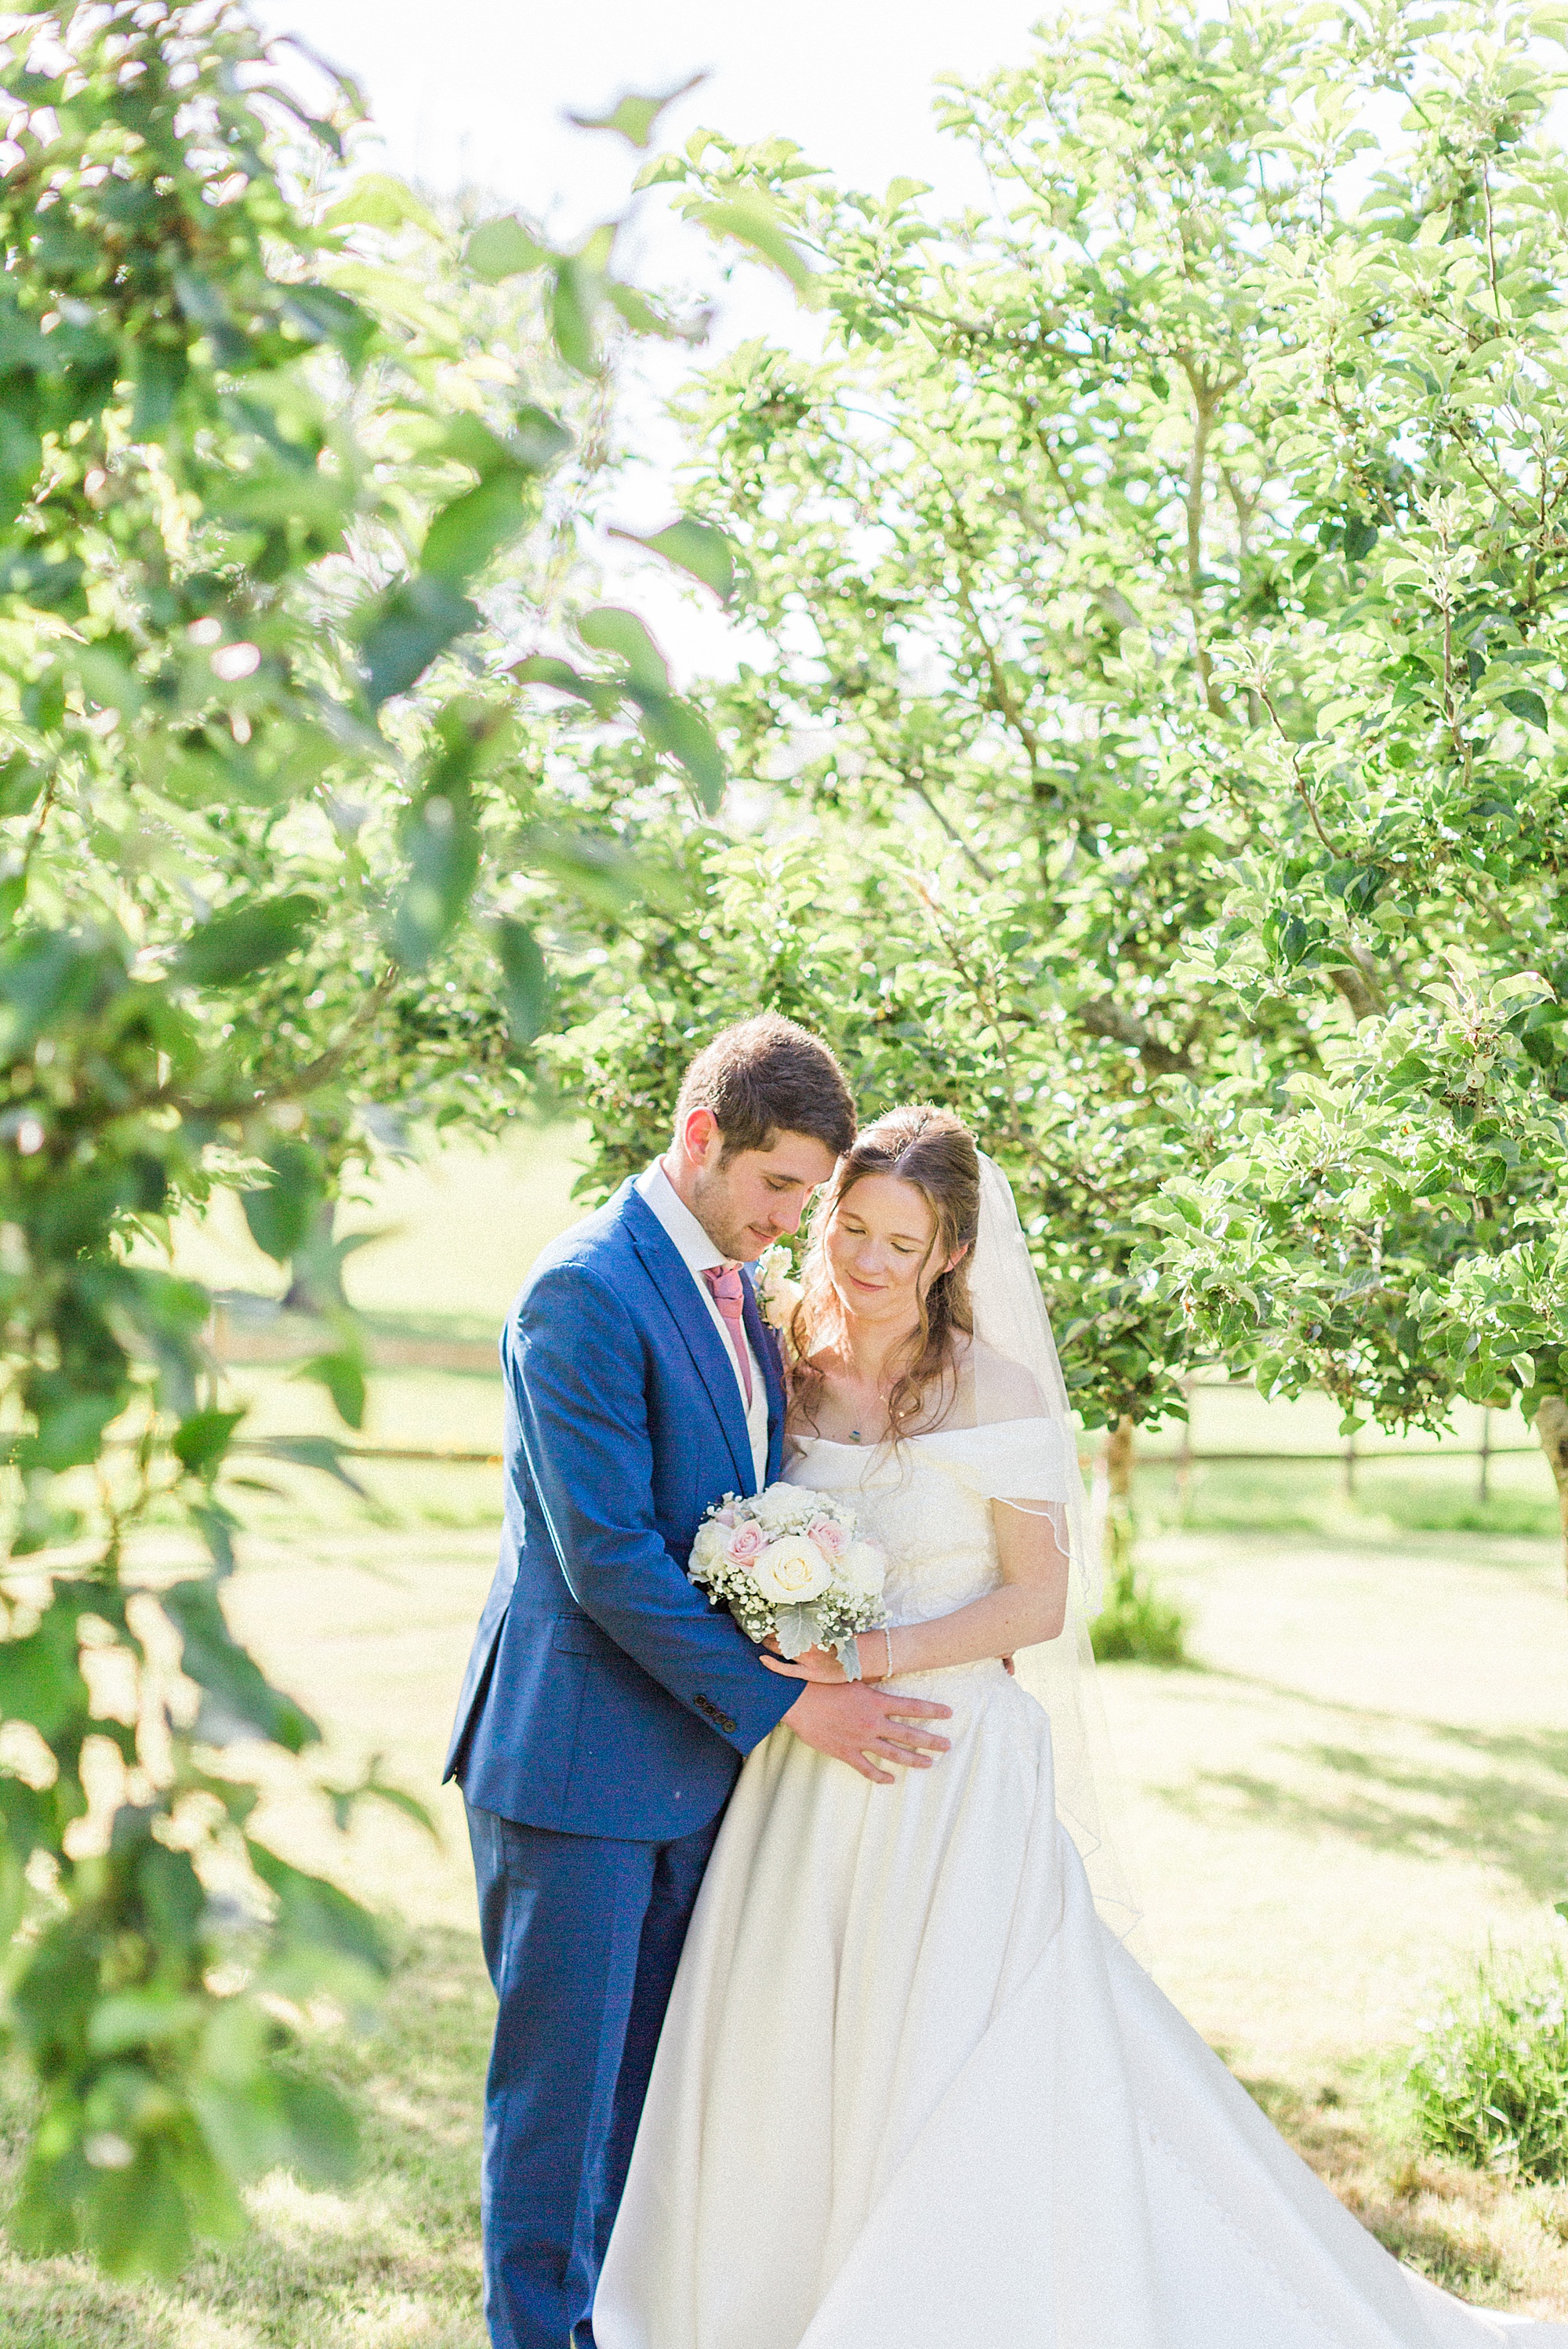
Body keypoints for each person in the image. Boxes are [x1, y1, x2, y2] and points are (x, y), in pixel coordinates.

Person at [594, 1103, 1568, 2349]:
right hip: (807, 1763)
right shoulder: (780, 1350)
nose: (870, 1263)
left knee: (956, 2051)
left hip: (947, 1766)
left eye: (906, 1243)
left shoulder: (990, 1386)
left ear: (952, 1253)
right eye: (853, 1228)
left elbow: (1037, 1599)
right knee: (788, 2045)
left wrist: (867, 1653)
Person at [442, 1020, 955, 2349]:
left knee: (645, 2117)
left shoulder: (736, 1293)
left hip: (691, 1777)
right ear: (697, 1139)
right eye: (779, 1186)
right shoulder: (585, 1292)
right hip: (574, 1778)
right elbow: (609, 1561)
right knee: (557, 2124)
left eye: (810, 1194)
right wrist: (799, 1704)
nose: (794, 1222)